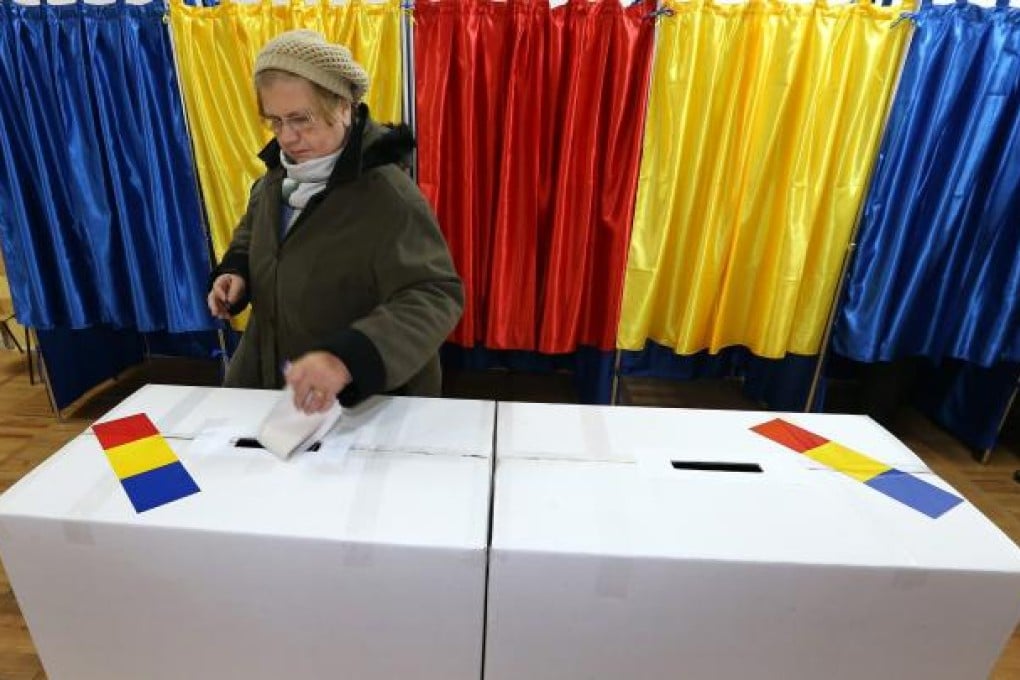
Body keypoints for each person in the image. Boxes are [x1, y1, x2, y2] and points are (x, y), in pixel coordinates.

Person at [207, 30, 463, 414]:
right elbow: (255, 232)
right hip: (272, 380)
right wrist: (237, 269)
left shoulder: (386, 195)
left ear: (343, 107)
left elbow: (433, 294)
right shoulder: (274, 179)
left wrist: (347, 359)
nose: (287, 137)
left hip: (362, 402)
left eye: (301, 119)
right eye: (275, 121)